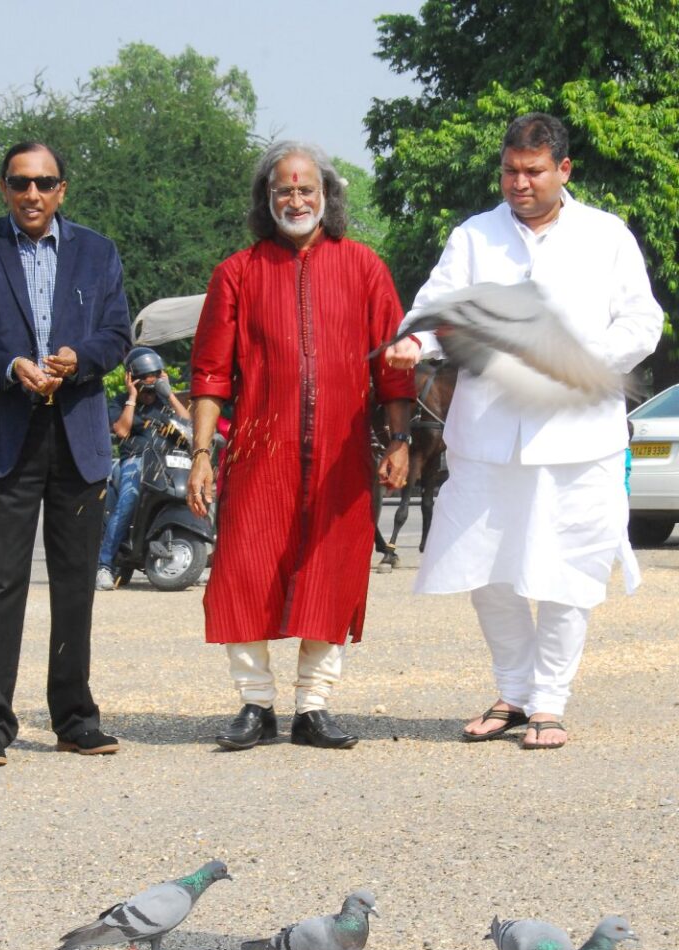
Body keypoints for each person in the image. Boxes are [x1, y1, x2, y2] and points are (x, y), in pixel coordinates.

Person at [387, 113, 663, 749]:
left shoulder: (605, 235)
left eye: (533, 171)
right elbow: (434, 313)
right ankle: (513, 691)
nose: (519, 182)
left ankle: (550, 701)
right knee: (489, 569)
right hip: (487, 433)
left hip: (577, 438)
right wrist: (415, 343)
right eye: (510, 170)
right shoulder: (475, 236)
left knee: (570, 567)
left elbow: (642, 323)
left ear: (563, 171)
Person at [188, 140, 417, 751]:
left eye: (306, 189)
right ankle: (255, 704)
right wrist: (203, 454)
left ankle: (313, 707)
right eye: (283, 190)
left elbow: (393, 369)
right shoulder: (236, 273)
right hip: (260, 451)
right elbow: (210, 373)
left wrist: (398, 440)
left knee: (332, 570)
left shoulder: (365, 267)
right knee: (245, 568)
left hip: (343, 456)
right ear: (267, 200)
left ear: (327, 197)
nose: (296, 199)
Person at [0, 141, 131, 767]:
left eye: (45, 183)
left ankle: (75, 716)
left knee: (75, 583)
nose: (33, 195)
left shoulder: (97, 253)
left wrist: (80, 361)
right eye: (21, 183)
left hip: (76, 436)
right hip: (2, 436)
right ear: (3, 188)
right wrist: (8, 365)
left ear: (62, 190)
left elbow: (117, 334)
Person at [96, 347, 190, 590]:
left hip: (165, 461)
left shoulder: (165, 402)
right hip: (133, 461)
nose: (152, 383)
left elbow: (187, 426)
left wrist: (169, 395)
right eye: (147, 378)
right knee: (130, 496)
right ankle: (104, 566)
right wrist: (132, 396)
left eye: (156, 376)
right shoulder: (120, 402)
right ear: (134, 378)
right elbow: (122, 431)